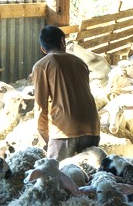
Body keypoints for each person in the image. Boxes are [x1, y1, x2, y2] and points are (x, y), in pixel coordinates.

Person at [32, 25, 101, 161]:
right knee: (89, 171)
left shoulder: (42, 66)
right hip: (92, 127)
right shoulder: (81, 63)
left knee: (57, 171)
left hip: (65, 131)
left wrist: (45, 137)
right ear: (63, 42)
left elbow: (40, 106)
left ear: (43, 49)